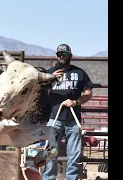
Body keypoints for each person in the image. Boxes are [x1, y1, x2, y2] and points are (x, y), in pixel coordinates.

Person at [43, 44, 93, 180]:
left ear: (70, 56)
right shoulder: (50, 73)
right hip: (55, 117)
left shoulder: (80, 73)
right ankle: (48, 178)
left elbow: (88, 93)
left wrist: (76, 102)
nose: (61, 57)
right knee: (50, 152)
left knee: (75, 153)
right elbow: (40, 91)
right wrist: (50, 77)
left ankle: (72, 178)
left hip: (73, 118)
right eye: (59, 54)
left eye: (64, 54)